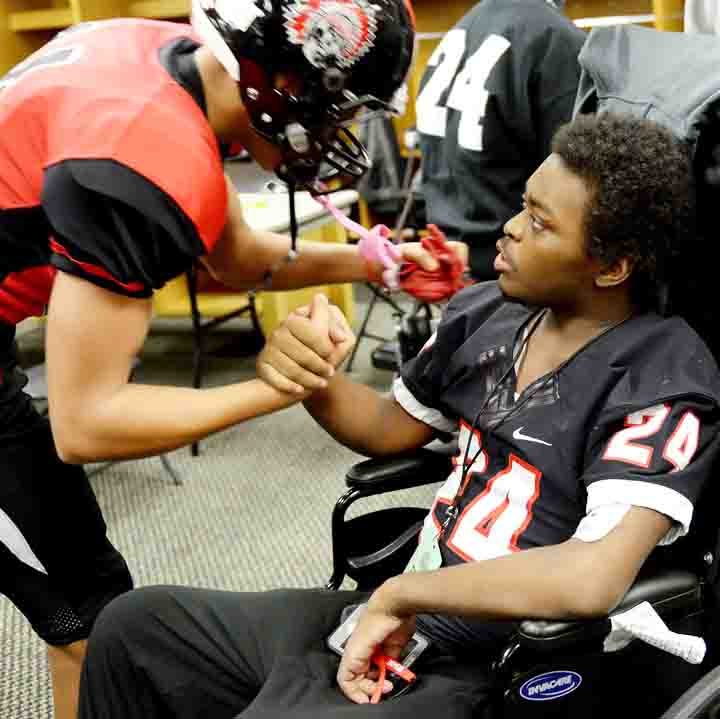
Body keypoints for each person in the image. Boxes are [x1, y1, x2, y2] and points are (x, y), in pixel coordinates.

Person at [77, 112, 720, 719]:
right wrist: (311, 375)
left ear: (610, 265)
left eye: (541, 223)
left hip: (496, 659)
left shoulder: (660, 375)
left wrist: (401, 595)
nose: (510, 228)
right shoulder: (488, 312)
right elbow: (390, 431)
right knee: (135, 628)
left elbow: (592, 576)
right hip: (409, 612)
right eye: (523, 205)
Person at [0, 1, 429, 717]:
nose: (337, 131)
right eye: (334, 107)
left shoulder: (175, 67)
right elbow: (86, 423)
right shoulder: (139, 147)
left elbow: (238, 257)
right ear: (277, 79)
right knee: (86, 614)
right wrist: (272, 389)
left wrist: (372, 265)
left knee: (92, 601)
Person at [416, 0, 586, 280]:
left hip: (449, 259)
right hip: (512, 269)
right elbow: (573, 180)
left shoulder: (463, 27)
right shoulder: (555, 39)